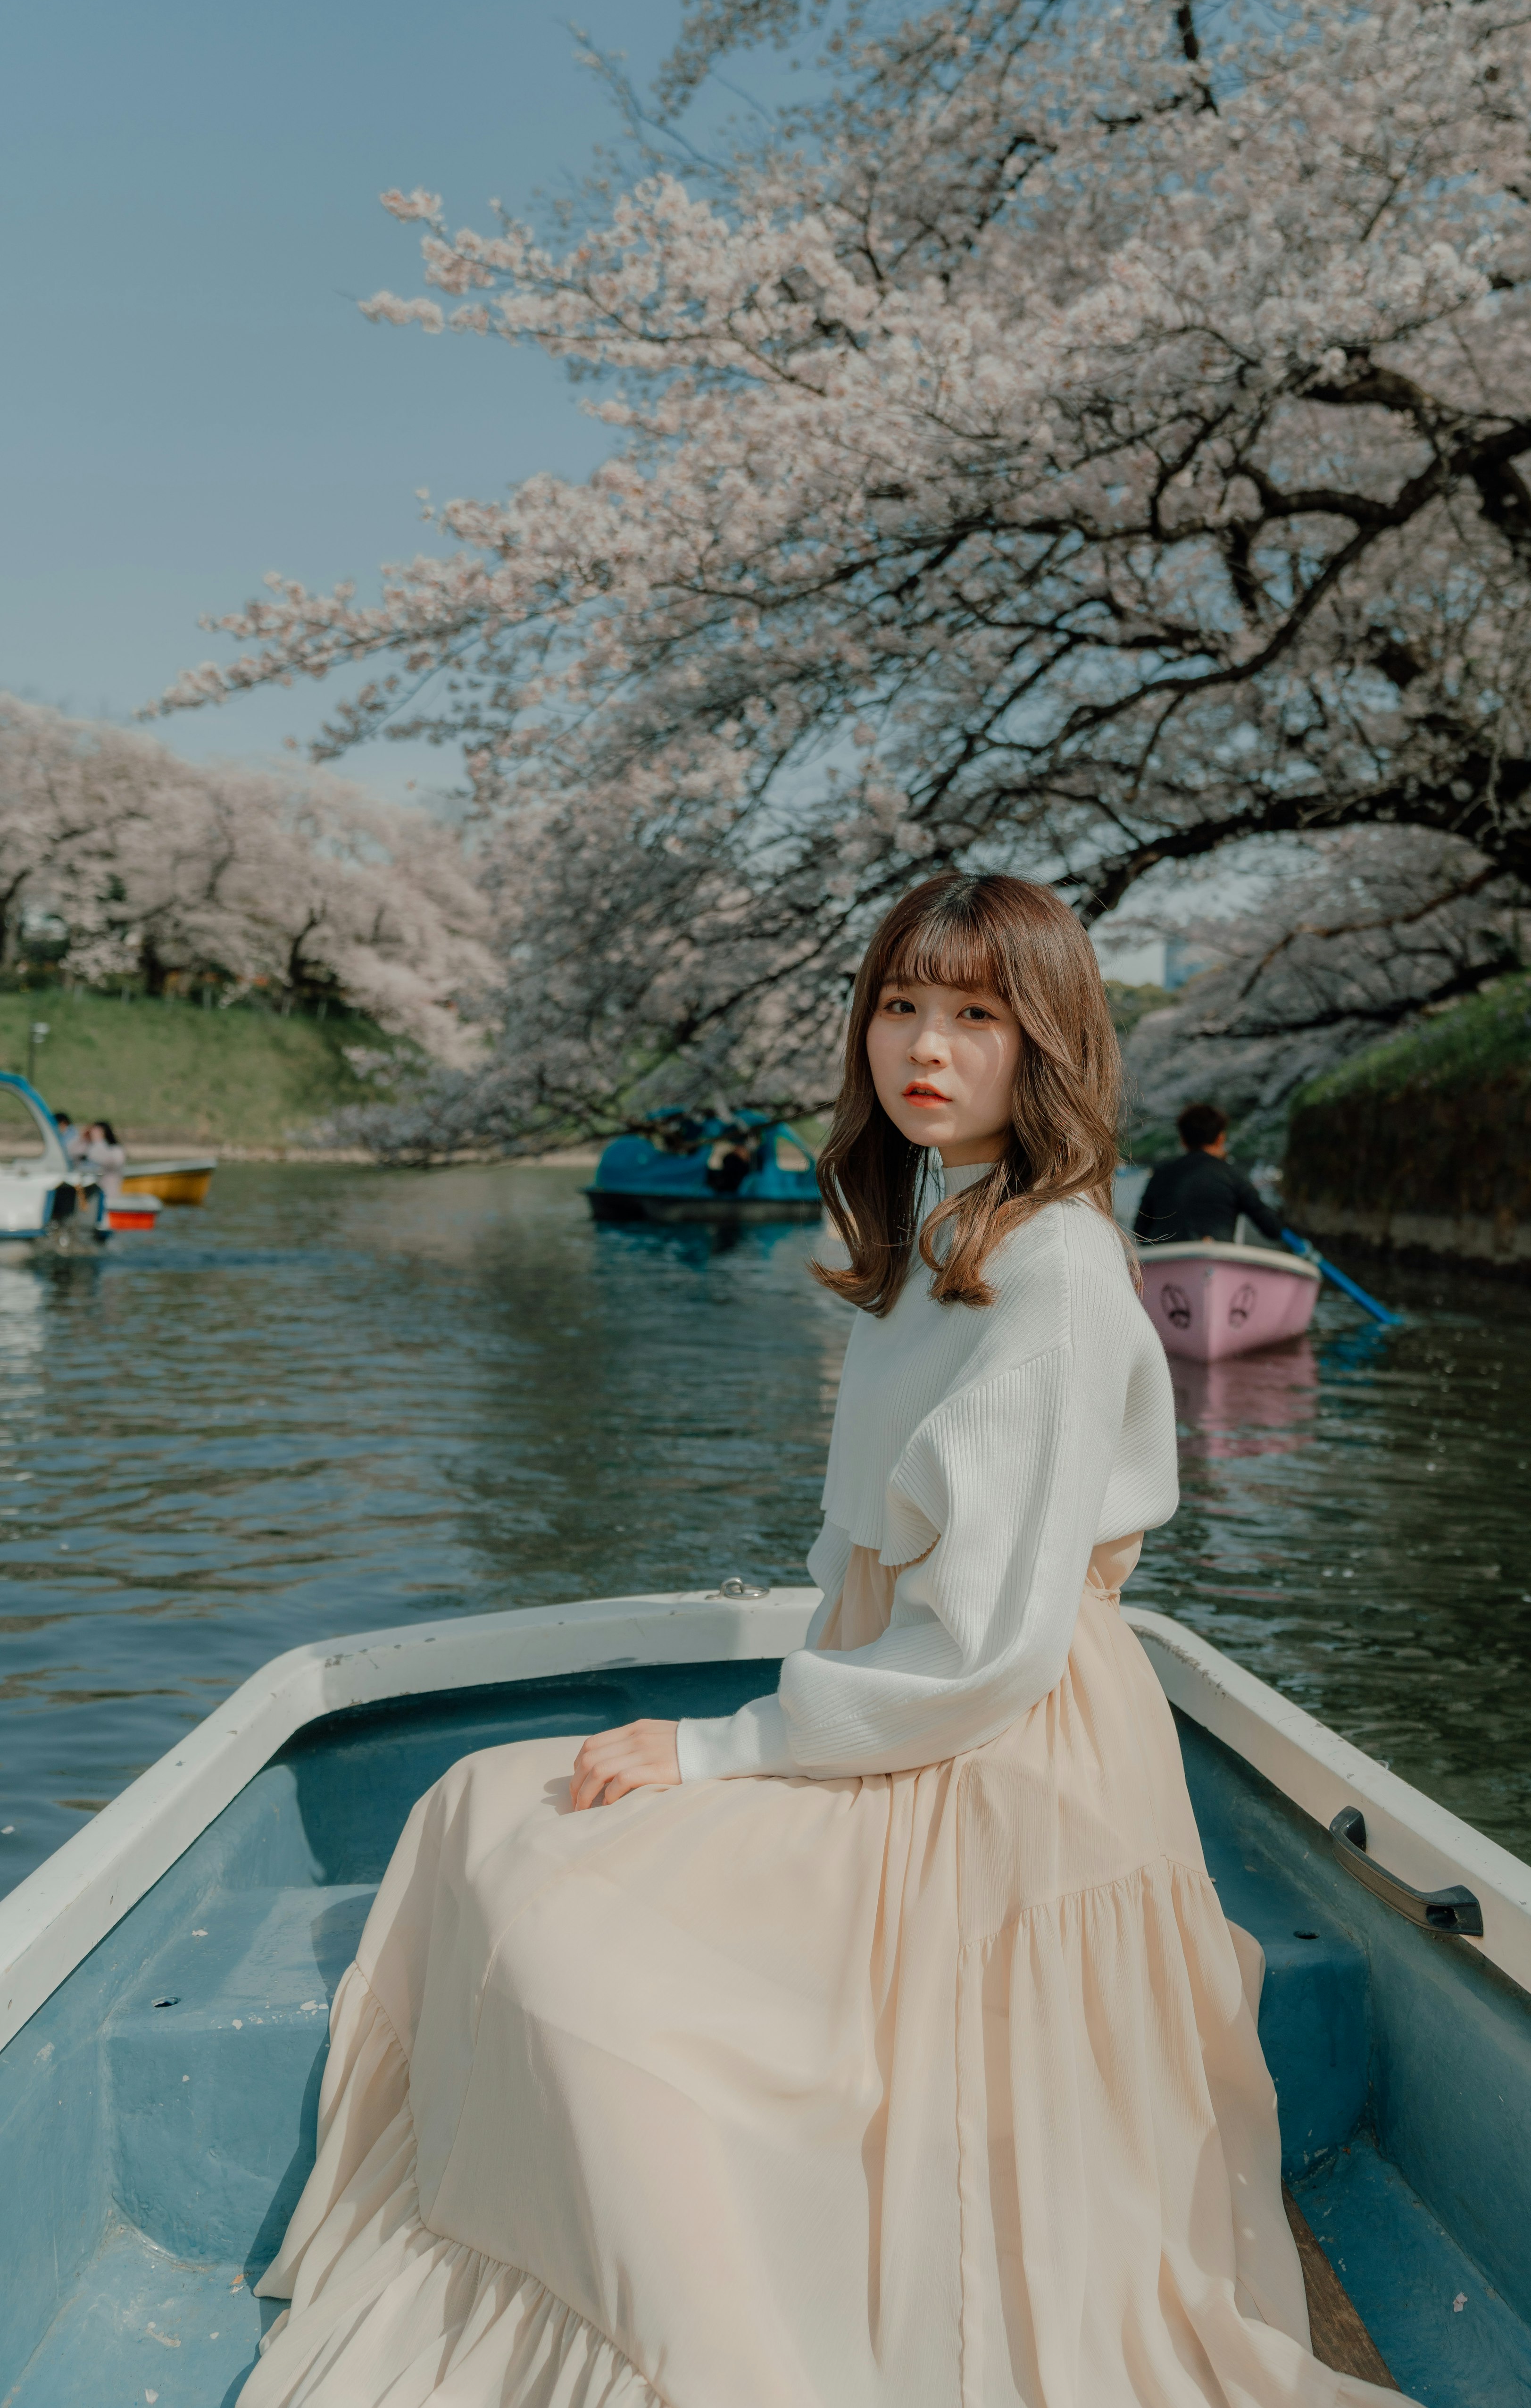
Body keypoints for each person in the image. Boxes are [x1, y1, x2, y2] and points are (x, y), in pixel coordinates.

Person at [244, 874, 1405, 2408]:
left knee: (533, 1876)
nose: (924, 1046)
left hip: (998, 1755)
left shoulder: (1048, 1273)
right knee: (484, 1816)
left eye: (977, 1014)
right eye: (900, 1006)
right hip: (909, 1710)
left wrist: (722, 1747)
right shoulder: (939, 1232)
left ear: (1045, 1041)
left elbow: (990, 1648)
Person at [1134, 1100, 1289, 1248]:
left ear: (1183, 1140)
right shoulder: (1234, 1176)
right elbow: (1272, 1229)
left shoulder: (1161, 1174)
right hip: (1215, 1255)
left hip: (1166, 1261)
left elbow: (1140, 1232)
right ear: (1221, 1138)